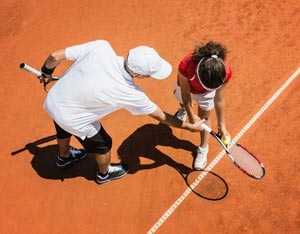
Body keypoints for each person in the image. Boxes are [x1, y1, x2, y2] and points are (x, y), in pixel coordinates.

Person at [40, 39, 205, 185]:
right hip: (72, 117)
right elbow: (161, 116)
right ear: (137, 74)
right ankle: (103, 175)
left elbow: (55, 56)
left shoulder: (101, 47)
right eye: (148, 75)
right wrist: (187, 126)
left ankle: (65, 156)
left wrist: (46, 71)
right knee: (103, 144)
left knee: (62, 121)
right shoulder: (130, 93)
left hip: (54, 100)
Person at [173, 41, 232, 170]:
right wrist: (190, 115)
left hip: (206, 94)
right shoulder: (186, 65)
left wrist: (221, 125)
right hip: (186, 88)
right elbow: (185, 92)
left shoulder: (225, 72)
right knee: (183, 102)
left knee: (205, 118)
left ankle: (203, 148)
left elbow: (219, 99)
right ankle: (182, 110)